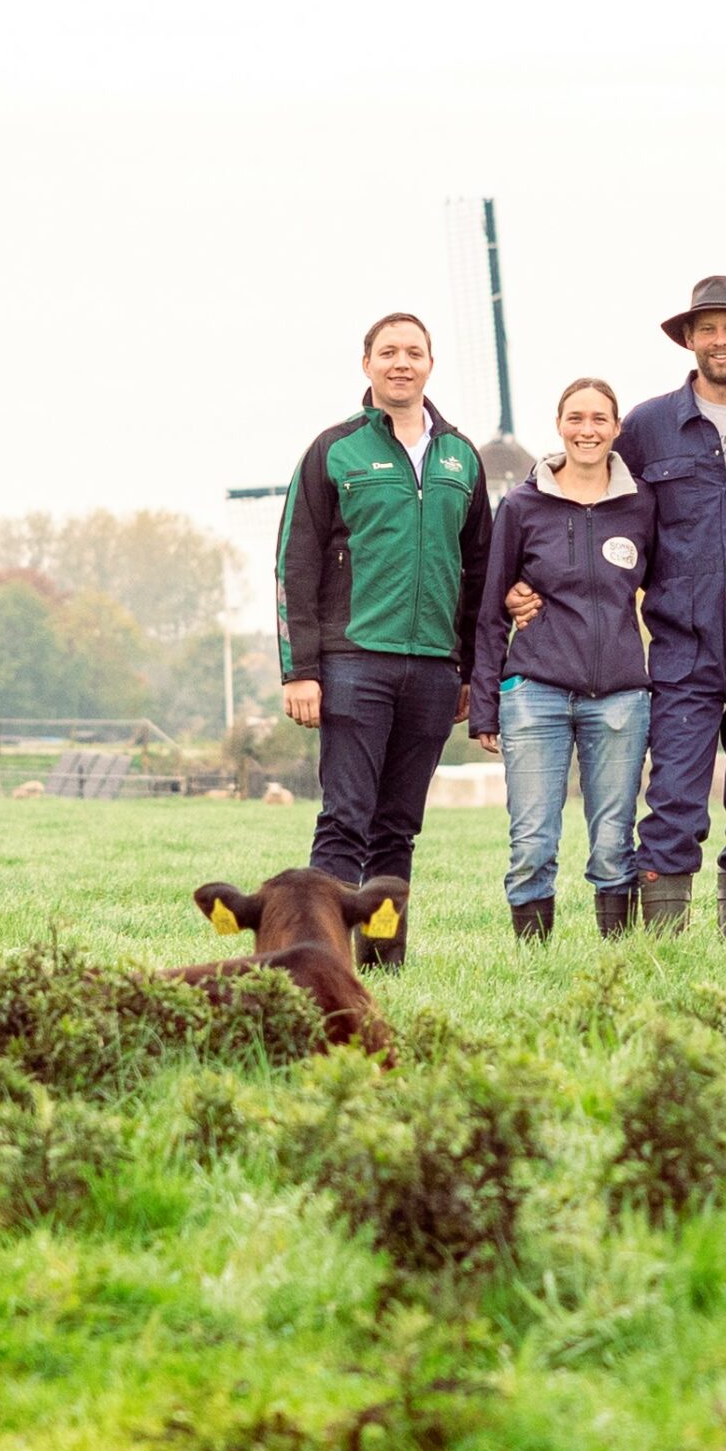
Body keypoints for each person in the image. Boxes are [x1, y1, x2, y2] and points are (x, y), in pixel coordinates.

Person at [507, 276, 726, 940]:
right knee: (675, 799)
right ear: (688, 339)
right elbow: (579, 494)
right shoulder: (649, 429)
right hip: (682, 645)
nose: (720, 340)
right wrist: (525, 577)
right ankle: (665, 947)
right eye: (706, 328)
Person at [276, 312, 492, 968]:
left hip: (432, 670)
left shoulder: (462, 457)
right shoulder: (334, 450)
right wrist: (299, 669)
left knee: (399, 826)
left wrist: (470, 672)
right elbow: (296, 562)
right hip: (352, 662)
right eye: (389, 352)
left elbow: (478, 571)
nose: (403, 363)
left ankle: (383, 960)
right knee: (345, 818)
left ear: (430, 365)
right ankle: (321, 958)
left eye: (415, 352)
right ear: (367, 364)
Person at [469, 379, 655, 941]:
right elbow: (491, 610)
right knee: (532, 842)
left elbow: (667, 593)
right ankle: (535, 960)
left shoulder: (641, 504)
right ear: (559, 426)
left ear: (616, 429)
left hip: (621, 698)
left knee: (613, 841)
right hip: (536, 694)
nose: (587, 430)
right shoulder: (523, 505)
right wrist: (485, 705)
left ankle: (614, 958)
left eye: (599, 419)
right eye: (576, 418)